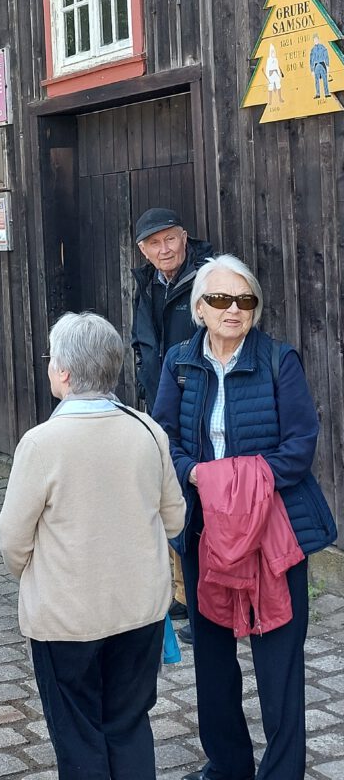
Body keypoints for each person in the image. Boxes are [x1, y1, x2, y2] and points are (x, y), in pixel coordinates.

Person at [153, 254, 337, 780]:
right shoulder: (178, 363)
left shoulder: (280, 360)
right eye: (220, 299)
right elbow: (164, 438)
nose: (233, 309)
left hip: (271, 530)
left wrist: (236, 483)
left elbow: (300, 446)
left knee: (278, 656)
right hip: (204, 526)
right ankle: (228, 764)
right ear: (200, 308)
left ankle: (282, 772)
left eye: (244, 300)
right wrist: (197, 478)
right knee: (212, 653)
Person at [0, 312, 185, 780]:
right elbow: (175, 517)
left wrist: (33, 577)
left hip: (67, 615)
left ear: (62, 372)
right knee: (128, 724)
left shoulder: (41, 443)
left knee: (78, 735)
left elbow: (12, 537)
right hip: (138, 608)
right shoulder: (147, 431)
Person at [132, 207, 213, 637]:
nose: (164, 249)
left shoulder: (207, 277)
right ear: (144, 251)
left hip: (197, 398)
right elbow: (143, 343)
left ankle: (205, 597)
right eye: (153, 243)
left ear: (185, 237)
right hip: (159, 402)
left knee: (196, 496)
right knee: (168, 490)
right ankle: (181, 592)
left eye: (170, 239)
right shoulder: (147, 282)